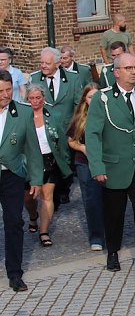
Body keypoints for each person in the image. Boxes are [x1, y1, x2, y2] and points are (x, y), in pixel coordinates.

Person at [85, 52, 135, 280]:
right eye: (128, 68)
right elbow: (93, 134)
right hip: (114, 167)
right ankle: (113, 252)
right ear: (116, 72)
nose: (133, 72)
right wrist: (97, 167)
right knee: (114, 215)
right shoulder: (103, 98)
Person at [0, 71, 43, 292]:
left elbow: (32, 148)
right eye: (0, 91)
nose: (5, 95)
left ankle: (15, 273)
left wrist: (35, 178)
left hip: (12, 174)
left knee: (14, 221)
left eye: (8, 90)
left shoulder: (23, 113)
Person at [31, 46, 83, 207]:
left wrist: (75, 128)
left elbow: (78, 105)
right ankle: (52, 196)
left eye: (47, 63)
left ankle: (63, 189)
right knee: (49, 163)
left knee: (66, 161)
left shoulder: (73, 78)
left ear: (58, 63)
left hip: (66, 129)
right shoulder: (34, 78)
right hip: (44, 129)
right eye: (41, 63)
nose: (43, 66)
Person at [20, 83, 70, 249]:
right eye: (32, 98)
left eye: (38, 98)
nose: (35, 101)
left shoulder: (52, 115)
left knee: (47, 196)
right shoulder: (22, 117)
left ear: (43, 98)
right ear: (27, 99)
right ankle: (33, 216)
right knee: (29, 197)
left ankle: (44, 231)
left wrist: (63, 159)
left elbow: (61, 139)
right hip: (29, 161)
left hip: (49, 159)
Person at [66, 83, 106, 251]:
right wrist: (83, 148)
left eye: (96, 96)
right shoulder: (80, 117)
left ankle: (112, 232)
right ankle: (96, 236)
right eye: (90, 97)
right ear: (85, 99)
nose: (93, 100)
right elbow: (71, 140)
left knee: (109, 199)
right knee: (91, 200)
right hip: (85, 163)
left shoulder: (108, 114)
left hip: (106, 162)